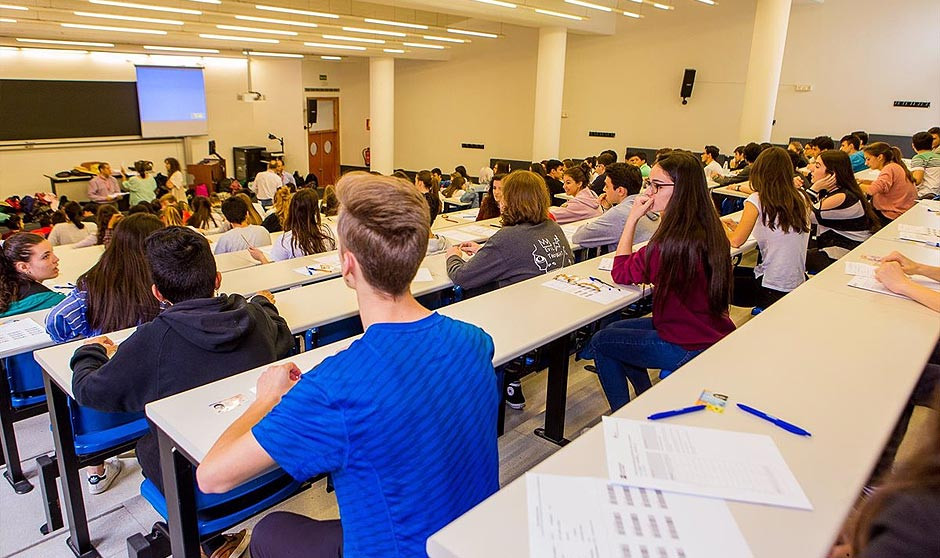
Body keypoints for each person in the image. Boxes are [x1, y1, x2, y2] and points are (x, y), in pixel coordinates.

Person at [195, 173, 499, 558]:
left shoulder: (335, 389)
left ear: (348, 265)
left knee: (270, 530)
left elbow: (212, 476)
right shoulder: (474, 339)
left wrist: (266, 398)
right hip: (461, 539)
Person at [70, 226, 292, 557]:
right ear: (217, 279)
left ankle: (203, 544)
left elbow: (90, 391)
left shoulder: (150, 342)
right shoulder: (254, 316)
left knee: (148, 445)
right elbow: (282, 335)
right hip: (272, 465)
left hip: (199, 484)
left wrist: (88, 353)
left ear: (157, 293)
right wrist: (261, 303)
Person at [589, 152, 734, 411]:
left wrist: (632, 218)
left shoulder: (671, 244)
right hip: (710, 329)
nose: (650, 192)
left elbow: (621, 271)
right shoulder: (708, 227)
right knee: (613, 333)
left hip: (687, 342)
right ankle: (644, 400)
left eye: (657, 186)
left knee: (601, 342)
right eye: (649, 184)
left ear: (681, 190)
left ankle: (623, 415)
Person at [45, 213, 164, 494]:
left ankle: (96, 472)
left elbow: (56, 321)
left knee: (86, 382)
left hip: (102, 408)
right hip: (154, 398)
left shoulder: (93, 285)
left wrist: (84, 345)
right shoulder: (161, 286)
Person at [447, 170, 574, 293]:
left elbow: (461, 277)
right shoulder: (553, 227)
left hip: (516, 306)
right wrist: (484, 251)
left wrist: (453, 256)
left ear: (510, 200)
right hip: (548, 299)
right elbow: (520, 257)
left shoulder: (508, 237)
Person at [723, 147, 811, 308]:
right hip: (796, 281)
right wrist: (738, 226)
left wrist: (720, 226)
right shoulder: (800, 197)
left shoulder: (757, 199)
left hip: (770, 287)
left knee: (713, 280)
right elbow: (778, 229)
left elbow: (736, 241)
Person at [803, 150, 880, 273]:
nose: (811, 169)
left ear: (832, 174)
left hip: (847, 251)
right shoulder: (835, 192)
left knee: (792, 258)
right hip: (838, 245)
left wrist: (813, 189)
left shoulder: (842, 197)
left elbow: (801, 215)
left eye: (817, 166)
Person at [572, 163, 659, 252]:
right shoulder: (648, 206)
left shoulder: (620, 213)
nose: (604, 189)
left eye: (607, 186)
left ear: (620, 191)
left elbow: (579, 237)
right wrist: (607, 209)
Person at [250, 189, 335, 263]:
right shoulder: (326, 232)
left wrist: (261, 257)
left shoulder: (286, 240)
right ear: (316, 210)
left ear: (292, 210)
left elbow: (274, 270)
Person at [0, 233, 64, 318]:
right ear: (23, 267)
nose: (56, 259)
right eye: (46, 256)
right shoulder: (54, 302)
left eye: (52, 253)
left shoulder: (6, 289)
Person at [860, 142, 917, 224]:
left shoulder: (889, 168)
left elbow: (871, 190)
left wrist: (853, 183)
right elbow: (888, 185)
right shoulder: (895, 166)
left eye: (868, 159)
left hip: (890, 215)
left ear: (880, 157)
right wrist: (866, 182)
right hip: (901, 210)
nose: (866, 163)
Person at [910, 131, 940, 198]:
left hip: (924, 195)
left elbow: (917, 180)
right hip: (937, 195)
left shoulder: (919, 158)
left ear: (913, 145)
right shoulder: (938, 157)